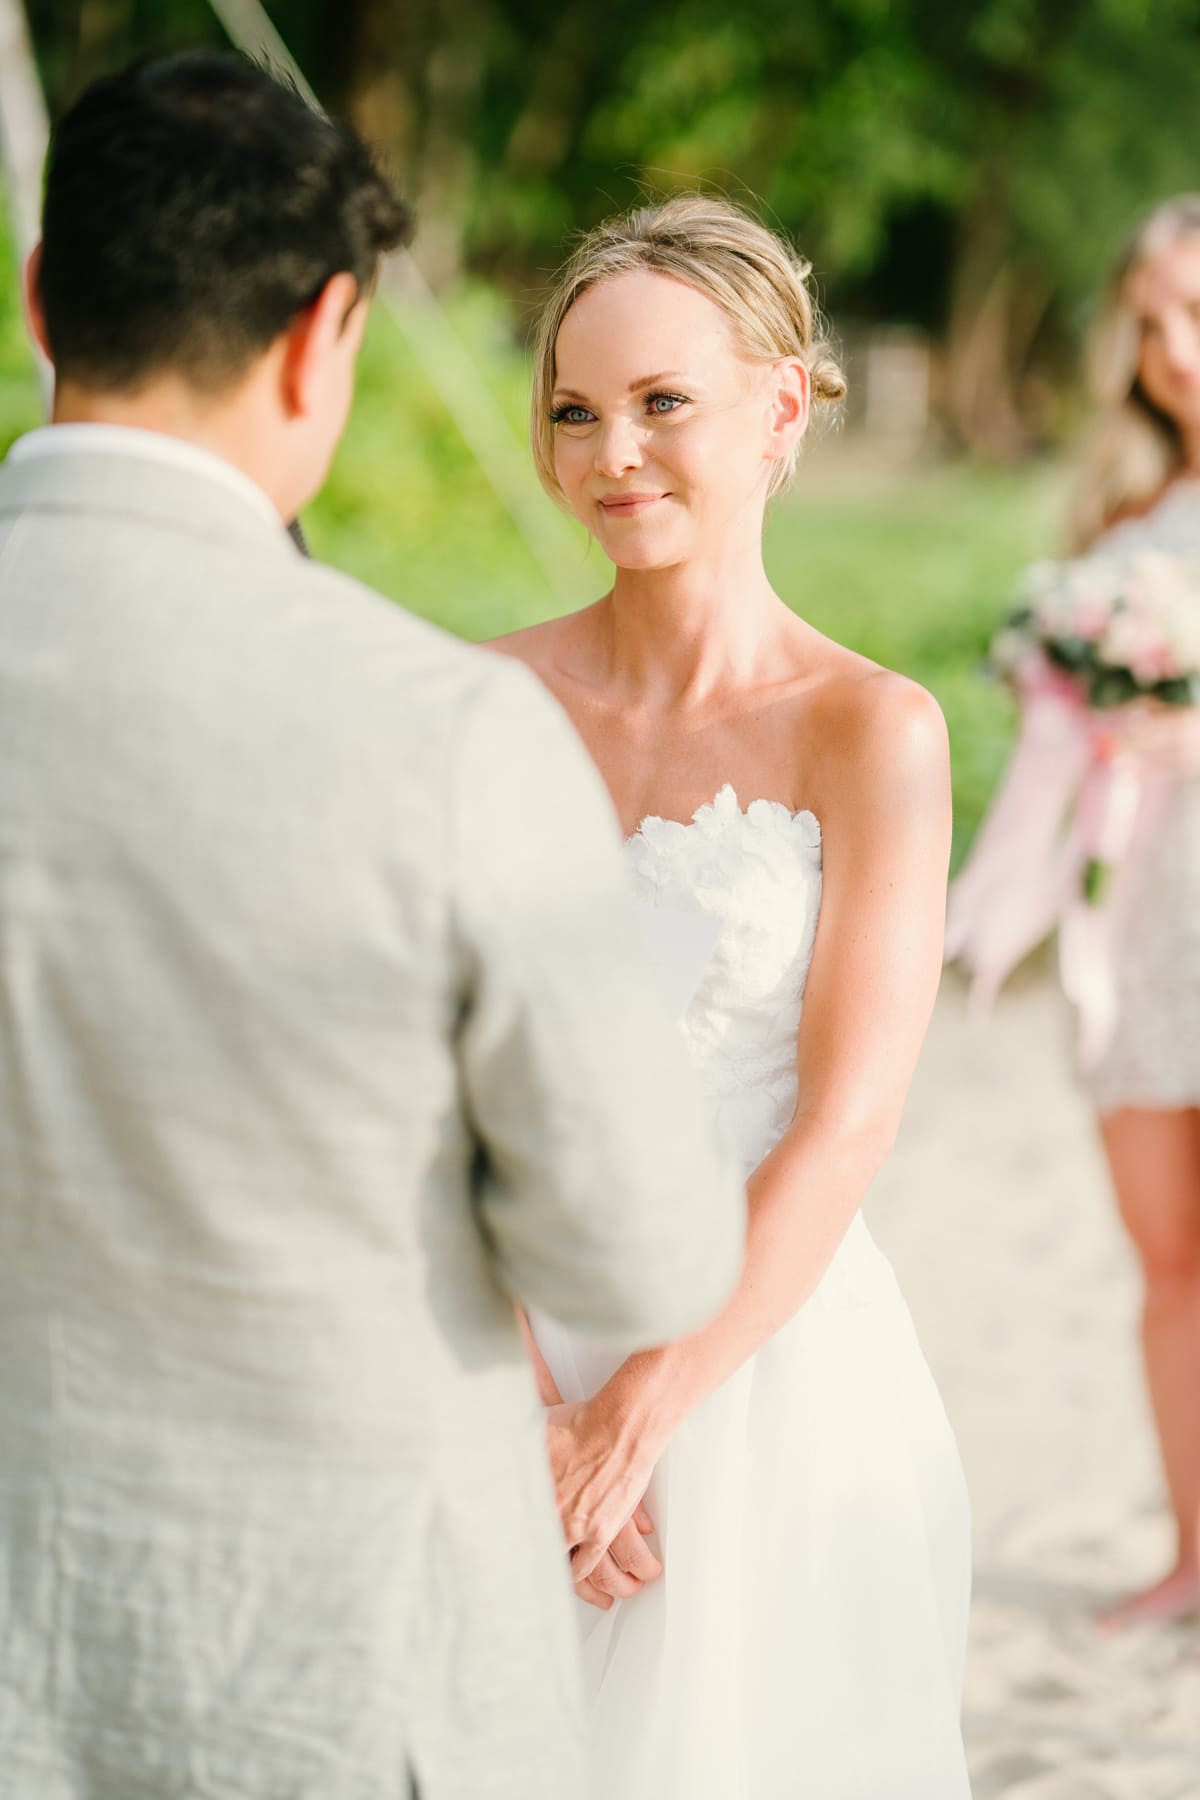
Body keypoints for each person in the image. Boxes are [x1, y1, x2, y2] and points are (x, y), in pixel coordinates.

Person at [0, 55, 745, 1800]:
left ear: (38, 301)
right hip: (340, 1670)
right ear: (326, 333)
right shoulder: (443, 731)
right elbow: (638, 1258)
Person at [490, 196, 972, 1798]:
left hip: (762, 1366)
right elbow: (428, 1092)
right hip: (504, 1341)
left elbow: (847, 1121)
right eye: (576, 411)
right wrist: (527, 1410)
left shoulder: (872, 731)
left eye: (661, 402)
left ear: (778, 409)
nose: (612, 452)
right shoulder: (481, 703)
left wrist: (644, 1405)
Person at [1066, 196, 1200, 1627]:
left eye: (1197, 313)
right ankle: (1193, 1547)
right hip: (1140, 926)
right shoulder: (1120, 521)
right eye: (1151, 319)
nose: (1172, 349)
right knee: (1168, 1258)